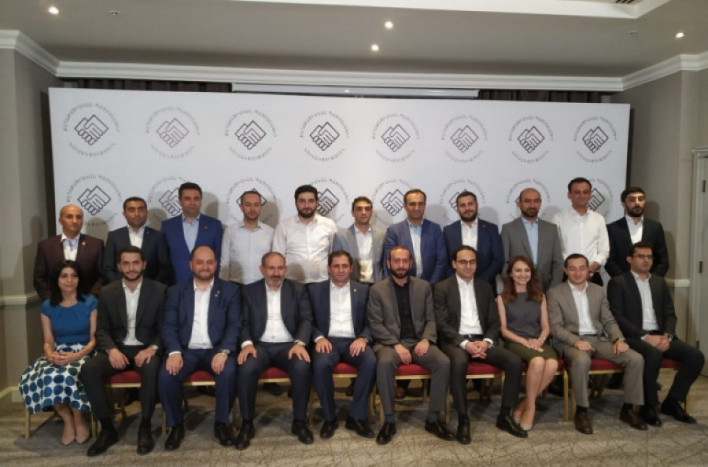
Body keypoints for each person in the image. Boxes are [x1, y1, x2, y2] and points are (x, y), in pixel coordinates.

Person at [434, 246, 526, 443]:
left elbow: (494, 322)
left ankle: (505, 416)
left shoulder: (485, 287)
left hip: (482, 340)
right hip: (455, 342)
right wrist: (465, 344)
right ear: (454, 264)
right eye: (463, 262)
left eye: (472, 262)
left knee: (514, 362)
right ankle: (463, 418)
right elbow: (442, 324)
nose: (468, 266)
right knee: (458, 363)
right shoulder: (442, 288)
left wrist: (486, 342)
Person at [80, 246, 166, 456]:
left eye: (136, 262)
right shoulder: (107, 292)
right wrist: (111, 350)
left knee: (151, 370)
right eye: (126, 263)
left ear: (144, 264)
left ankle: (145, 426)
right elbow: (101, 330)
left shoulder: (160, 290)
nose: (131, 268)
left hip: (145, 349)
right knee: (89, 369)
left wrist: (152, 348)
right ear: (119, 266)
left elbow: (165, 327)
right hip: (118, 348)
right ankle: (107, 428)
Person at [547, 254, 646, 434]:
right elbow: (556, 328)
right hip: (570, 340)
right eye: (572, 269)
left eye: (582, 268)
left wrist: (618, 339)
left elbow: (608, 321)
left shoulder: (598, 291)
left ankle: (629, 409)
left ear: (588, 270)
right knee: (582, 360)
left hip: (598, 339)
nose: (578, 273)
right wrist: (576, 341)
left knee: (635, 359)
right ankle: (581, 411)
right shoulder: (555, 293)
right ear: (565, 270)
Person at [607, 242, 704, 425]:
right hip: (633, 337)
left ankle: (672, 401)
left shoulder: (659, 282)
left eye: (649, 257)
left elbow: (670, 314)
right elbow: (618, 317)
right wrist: (645, 336)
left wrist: (667, 335)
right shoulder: (618, 283)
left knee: (696, 356)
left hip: (660, 335)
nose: (646, 260)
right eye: (641, 256)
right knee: (653, 354)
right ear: (629, 259)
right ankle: (648, 406)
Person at [367, 246, 454, 445]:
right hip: (389, 344)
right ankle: (389, 420)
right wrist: (396, 345)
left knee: (443, 362)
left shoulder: (423, 287)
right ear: (388, 263)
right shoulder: (377, 290)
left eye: (404, 261)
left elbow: (431, 319)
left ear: (411, 263)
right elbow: (375, 324)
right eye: (396, 261)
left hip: (418, 342)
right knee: (384, 363)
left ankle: (433, 418)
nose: (401, 265)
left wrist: (426, 339)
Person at [158, 245, 240, 451]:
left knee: (229, 372)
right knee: (167, 375)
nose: (205, 267)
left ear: (216, 264)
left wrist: (224, 351)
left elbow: (234, 325)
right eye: (200, 262)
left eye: (210, 262)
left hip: (217, 350)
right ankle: (176, 426)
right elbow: (168, 325)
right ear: (191, 265)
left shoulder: (230, 290)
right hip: (186, 351)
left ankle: (222, 423)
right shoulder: (176, 291)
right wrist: (174, 352)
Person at [235, 252, 314, 449]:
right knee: (246, 368)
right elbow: (242, 322)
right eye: (271, 268)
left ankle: (299, 421)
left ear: (285, 269)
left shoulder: (298, 289)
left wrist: (300, 343)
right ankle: (247, 423)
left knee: (302, 366)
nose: (276, 273)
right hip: (259, 346)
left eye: (280, 268)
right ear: (262, 269)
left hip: (289, 346)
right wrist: (247, 344)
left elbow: (306, 319)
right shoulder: (248, 291)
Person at [19, 260, 96, 445]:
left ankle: (79, 420)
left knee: (69, 374)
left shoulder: (91, 302)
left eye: (74, 276)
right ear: (57, 280)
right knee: (48, 375)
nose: (69, 280)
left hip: (84, 352)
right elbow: (48, 340)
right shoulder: (47, 306)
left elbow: (94, 340)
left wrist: (77, 356)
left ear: (79, 279)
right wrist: (49, 354)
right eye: (64, 276)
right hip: (58, 351)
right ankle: (68, 420)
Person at [308, 251, 376, 439]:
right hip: (327, 341)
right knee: (320, 364)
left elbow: (372, 321)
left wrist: (363, 338)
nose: (340, 270)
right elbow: (307, 320)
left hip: (354, 341)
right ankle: (329, 418)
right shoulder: (315, 291)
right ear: (329, 268)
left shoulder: (363, 290)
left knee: (370, 361)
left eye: (344, 266)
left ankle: (357, 416)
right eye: (336, 266)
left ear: (351, 268)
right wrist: (318, 337)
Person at [496, 256, 558, 431]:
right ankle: (531, 408)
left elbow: (546, 326)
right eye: (518, 270)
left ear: (531, 273)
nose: (523, 274)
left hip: (537, 341)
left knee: (552, 364)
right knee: (538, 362)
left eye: (526, 270)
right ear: (510, 274)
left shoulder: (540, 296)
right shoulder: (502, 298)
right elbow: (503, 330)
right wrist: (524, 341)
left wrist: (539, 340)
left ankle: (524, 404)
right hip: (515, 342)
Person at [33, 204, 104, 300]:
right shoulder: (46, 246)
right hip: (55, 304)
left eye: (78, 217)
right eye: (69, 217)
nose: (75, 221)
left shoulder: (96, 244)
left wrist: (90, 299)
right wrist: (51, 300)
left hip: (88, 303)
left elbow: (102, 276)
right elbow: (39, 278)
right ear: (60, 221)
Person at [501, 187, 563, 291]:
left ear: (540, 203)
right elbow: (504, 263)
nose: (532, 205)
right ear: (519, 204)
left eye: (536, 201)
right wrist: (513, 286)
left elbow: (558, 262)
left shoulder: (551, 229)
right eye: (527, 201)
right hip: (518, 289)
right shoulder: (508, 229)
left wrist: (553, 290)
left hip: (547, 288)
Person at [272, 184, 337, 284]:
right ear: (296, 202)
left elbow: (335, 256)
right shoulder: (283, 226)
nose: (306, 205)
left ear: (317, 202)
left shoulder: (329, 225)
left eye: (311, 201)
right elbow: (277, 258)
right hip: (292, 284)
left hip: (322, 283)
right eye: (302, 201)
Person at [161, 182, 223, 284]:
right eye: (187, 198)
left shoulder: (215, 225)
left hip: (207, 285)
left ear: (201, 201)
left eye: (196, 198)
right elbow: (164, 260)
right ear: (180, 201)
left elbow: (219, 257)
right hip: (176, 286)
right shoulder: (167, 226)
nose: (192, 202)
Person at [552, 177, 609, 286]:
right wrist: (574, 269)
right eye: (577, 192)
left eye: (585, 192)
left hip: (593, 276)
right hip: (567, 276)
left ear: (590, 194)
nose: (582, 196)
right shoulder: (558, 218)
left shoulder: (599, 219)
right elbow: (557, 250)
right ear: (569, 195)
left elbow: (604, 250)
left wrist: (591, 269)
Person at [383, 189, 447, 286]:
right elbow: (389, 261)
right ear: (405, 206)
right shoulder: (394, 230)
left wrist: (431, 285)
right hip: (402, 286)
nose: (417, 208)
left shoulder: (435, 229)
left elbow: (441, 261)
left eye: (420, 204)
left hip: (431, 286)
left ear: (424, 206)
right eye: (412, 204)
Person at [444, 191, 503, 289]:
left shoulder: (491, 229)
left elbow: (498, 260)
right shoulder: (449, 231)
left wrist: (482, 282)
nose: (467, 208)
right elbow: (445, 261)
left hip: (486, 286)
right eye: (462, 205)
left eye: (470, 204)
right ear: (457, 209)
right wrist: (457, 281)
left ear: (477, 205)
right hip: (456, 287)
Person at [102, 197, 170, 283]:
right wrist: (121, 287)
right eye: (131, 210)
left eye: (141, 210)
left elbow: (164, 268)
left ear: (146, 213)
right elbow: (107, 268)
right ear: (124, 214)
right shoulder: (114, 236)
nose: (137, 214)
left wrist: (153, 287)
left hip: (151, 288)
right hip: (120, 288)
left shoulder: (158, 236)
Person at [606, 187, 669, 278]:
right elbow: (609, 261)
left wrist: (650, 280)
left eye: (641, 199)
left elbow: (663, 261)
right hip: (622, 282)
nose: (637, 203)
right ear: (624, 204)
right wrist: (624, 281)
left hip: (650, 282)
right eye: (632, 200)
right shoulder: (612, 228)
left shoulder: (655, 227)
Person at [220, 190, 274, 285]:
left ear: (260, 207)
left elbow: (275, 263)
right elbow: (225, 262)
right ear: (241, 207)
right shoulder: (230, 231)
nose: (252, 209)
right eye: (248, 204)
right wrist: (224, 287)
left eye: (256, 205)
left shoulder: (271, 232)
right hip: (235, 285)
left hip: (262, 286)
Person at [332, 196, 385, 285]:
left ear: (371, 212)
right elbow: (336, 264)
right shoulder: (341, 237)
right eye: (359, 209)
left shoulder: (382, 235)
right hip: (351, 285)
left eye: (367, 209)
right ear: (352, 213)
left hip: (377, 286)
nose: (363, 212)